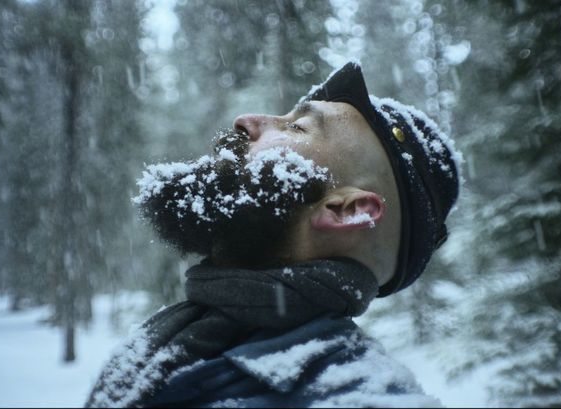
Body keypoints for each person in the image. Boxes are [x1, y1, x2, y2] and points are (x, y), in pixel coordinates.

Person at [85, 61, 460, 408]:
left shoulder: (359, 397)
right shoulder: (166, 345)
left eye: (297, 127)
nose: (245, 120)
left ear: (347, 211)